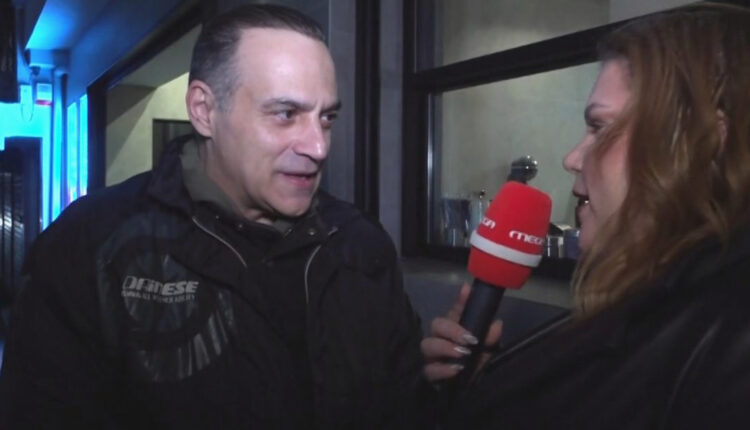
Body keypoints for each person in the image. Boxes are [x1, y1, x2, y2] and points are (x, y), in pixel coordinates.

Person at [0, 5, 426, 428]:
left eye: (326, 118)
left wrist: (450, 389)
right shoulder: (89, 248)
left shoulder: (360, 246)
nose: (318, 146)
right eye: (286, 114)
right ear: (204, 110)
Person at [422, 4, 750, 428]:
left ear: (704, 143)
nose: (572, 158)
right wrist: (485, 388)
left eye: (599, 127)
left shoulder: (728, 351)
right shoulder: (643, 302)